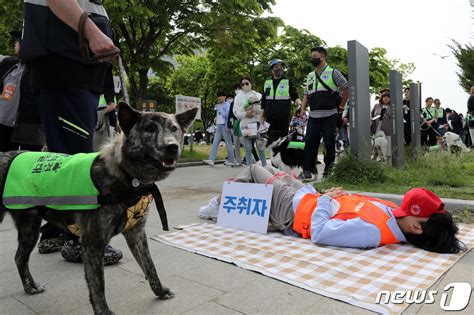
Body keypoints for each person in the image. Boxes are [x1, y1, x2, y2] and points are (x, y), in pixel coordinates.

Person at [22, 0, 122, 264]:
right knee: (74, 160)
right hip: (65, 65)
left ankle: (55, 230)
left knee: (63, 157)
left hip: (73, 67)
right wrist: (92, 32)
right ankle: (79, 240)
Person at [199, 164, 465, 253]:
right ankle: (228, 202)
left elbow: (320, 233)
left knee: (255, 169)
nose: (401, 207)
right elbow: (355, 206)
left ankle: (221, 205)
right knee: (270, 168)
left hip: (293, 212)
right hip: (307, 197)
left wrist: (326, 200)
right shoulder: (395, 216)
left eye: (410, 208)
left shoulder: (370, 233)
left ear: (416, 226)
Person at [299, 47, 349, 179]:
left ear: (322, 56)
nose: (312, 59)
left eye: (314, 56)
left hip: (330, 115)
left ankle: (328, 171)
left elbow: (346, 88)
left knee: (329, 143)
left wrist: (342, 106)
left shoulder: (333, 72)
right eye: (311, 56)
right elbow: (306, 94)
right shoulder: (310, 76)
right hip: (314, 115)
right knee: (309, 142)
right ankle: (307, 171)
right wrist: (303, 108)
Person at [0, 30, 44, 152]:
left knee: (27, 161)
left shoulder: (39, 69)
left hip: (30, 127)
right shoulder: (9, 64)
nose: (15, 45)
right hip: (4, 125)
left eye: (18, 42)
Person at [261, 59, 301, 139]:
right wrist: (262, 115)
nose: (279, 68)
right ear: (272, 70)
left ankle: (283, 152)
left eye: (281, 66)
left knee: (283, 140)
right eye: (276, 66)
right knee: (271, 140)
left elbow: (295, 96)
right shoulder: (267, 82)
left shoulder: (288, 82)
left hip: (283, 117)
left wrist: (300, 104)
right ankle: (274, 152)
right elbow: (264, 100)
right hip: (270, 117)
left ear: (283, 69)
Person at [233, 76, 266, 166]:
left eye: (247, 83)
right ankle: (249, 169)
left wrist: (256, 111)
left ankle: (265, 167)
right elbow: (235, 112)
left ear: (251, 83)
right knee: (248, 148)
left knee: (260, 147)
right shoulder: (238, 97)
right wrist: (245, 114)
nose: (245, 85)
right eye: (242, 84)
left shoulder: (258, 95)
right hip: (245, 125)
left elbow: (264, 109)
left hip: (258, 124)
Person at [203, 91, 237, 167]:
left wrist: (220, 110)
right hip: (218, 126)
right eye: (218, 96)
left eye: (221, 96)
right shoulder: (217, 105)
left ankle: (231, 160)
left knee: (229, 144)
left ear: (224, 97)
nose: (219, 98)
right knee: (215, 143)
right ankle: (211, 160)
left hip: (225, 126)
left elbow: (227, 115)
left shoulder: (227, 105)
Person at [370, 92, 393, 158]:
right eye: (384, 97)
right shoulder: (377, 105)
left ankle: (386, 161)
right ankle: (375, 158)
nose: (386, 98)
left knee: (387, 146)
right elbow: (371, 115)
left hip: (388, 129)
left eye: (388, 97)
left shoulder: (392, 106)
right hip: (378, 128)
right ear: (382, 98)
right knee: (376, 145)